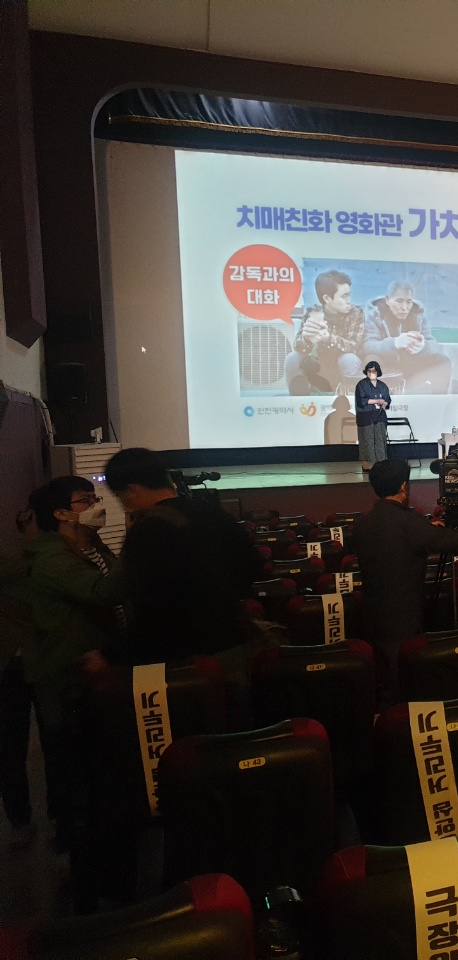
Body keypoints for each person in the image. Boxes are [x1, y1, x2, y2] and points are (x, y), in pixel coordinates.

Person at [25, 477, 123, 885]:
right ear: (61, 513)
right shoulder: (52, 559)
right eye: (85, 500)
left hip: (95, 674)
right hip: (67, 678)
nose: (96, 505)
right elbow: (103, 591)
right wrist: (140, 548)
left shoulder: (89, 544)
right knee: (74, 775)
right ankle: (84, 879)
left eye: (95, 497)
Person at [104, 448, 261, 674]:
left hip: (181, 659)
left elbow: (148, 605)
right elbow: (252, 567)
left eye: (119, 497)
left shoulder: (148, 531)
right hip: (233, 642)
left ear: (132, 490)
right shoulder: (214, 513)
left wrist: (113, 656)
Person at [350, 459, 458, 706]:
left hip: (372, 618)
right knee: (403, 685)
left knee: (385, 680)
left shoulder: (363, 524)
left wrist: (425, 529)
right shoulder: (410, 524)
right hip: (403, 623)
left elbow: (391, 542)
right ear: (404, 487)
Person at [0, 505, 40, 847]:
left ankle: (22, 819)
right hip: (18, 662)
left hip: (31, 659)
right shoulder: (23, 559)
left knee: (12, 748)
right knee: (12, 748)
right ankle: (23, 818)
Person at [285, 270, 366, 395]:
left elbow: (354, 346)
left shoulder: (356, 313)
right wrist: (307, 338)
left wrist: (328, 338)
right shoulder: (313, 312)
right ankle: (298, 403)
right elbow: (298, 347)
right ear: (327, 298)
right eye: (344, 296)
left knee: (349, 358)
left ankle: (349, 402)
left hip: (346, 368)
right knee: (293, 358)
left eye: (349, 295)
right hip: (319, 368)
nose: (349, 300)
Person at [363, 280, 451, 394]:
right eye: (399, 301)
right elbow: (367, 346)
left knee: (442, 361)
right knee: (371, 361)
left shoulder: (418, 315)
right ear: (388, 300)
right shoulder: (375, 315)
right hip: (387, 369)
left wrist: (423, 347)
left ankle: (439, 401)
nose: (404, 307)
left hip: (412, 367)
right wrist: (395, 343)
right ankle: (377, 401)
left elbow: (434, 345)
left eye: (409, 302)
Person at [354, 360, 391, 470]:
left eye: (373, 371)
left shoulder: (382, 386)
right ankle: (367, 466)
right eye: (369, 371)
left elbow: (388, 400)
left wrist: (384, 403)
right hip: (366, 417)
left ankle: (381, 464)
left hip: (379, 416)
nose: (371, 373)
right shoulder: (362, 384)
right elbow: (362, 400)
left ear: (378, 372)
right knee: (367, 441)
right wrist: (377, 401)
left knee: (380, 440)